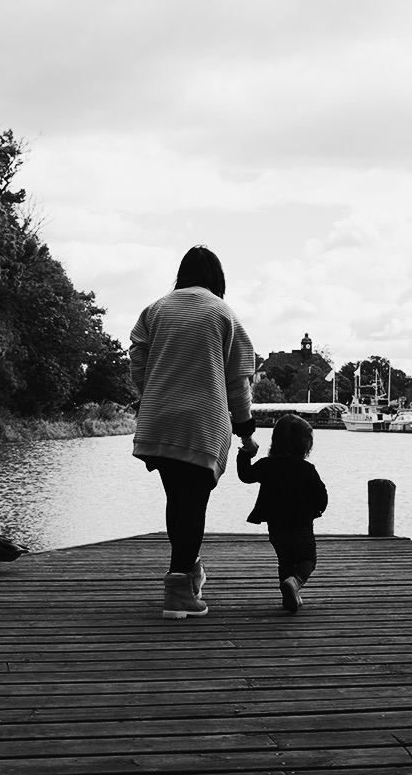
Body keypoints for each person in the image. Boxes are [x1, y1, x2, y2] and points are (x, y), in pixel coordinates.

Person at [129, 246, 258, 619]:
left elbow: (137, 359)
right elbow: (238, 382)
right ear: (217, 279)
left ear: (181, 275)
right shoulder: (223, 313)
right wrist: (245, 431)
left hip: (159, 421)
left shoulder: (155, 310)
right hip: (202, 424)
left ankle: (187, 571)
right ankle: (178, 591)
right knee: (194, 504)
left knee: (178, 501)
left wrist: (153, 391)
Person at [236, 413, 328, 613]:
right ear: (306, 445)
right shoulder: (307, 469)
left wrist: (245, 453)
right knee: (308, 560)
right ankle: (295, 582)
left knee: (285, 560)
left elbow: (245, 475)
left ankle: (289, 597)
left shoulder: (267, 465)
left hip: (276, 527)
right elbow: (321, 496)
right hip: (302, 526)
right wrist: (318, 509)